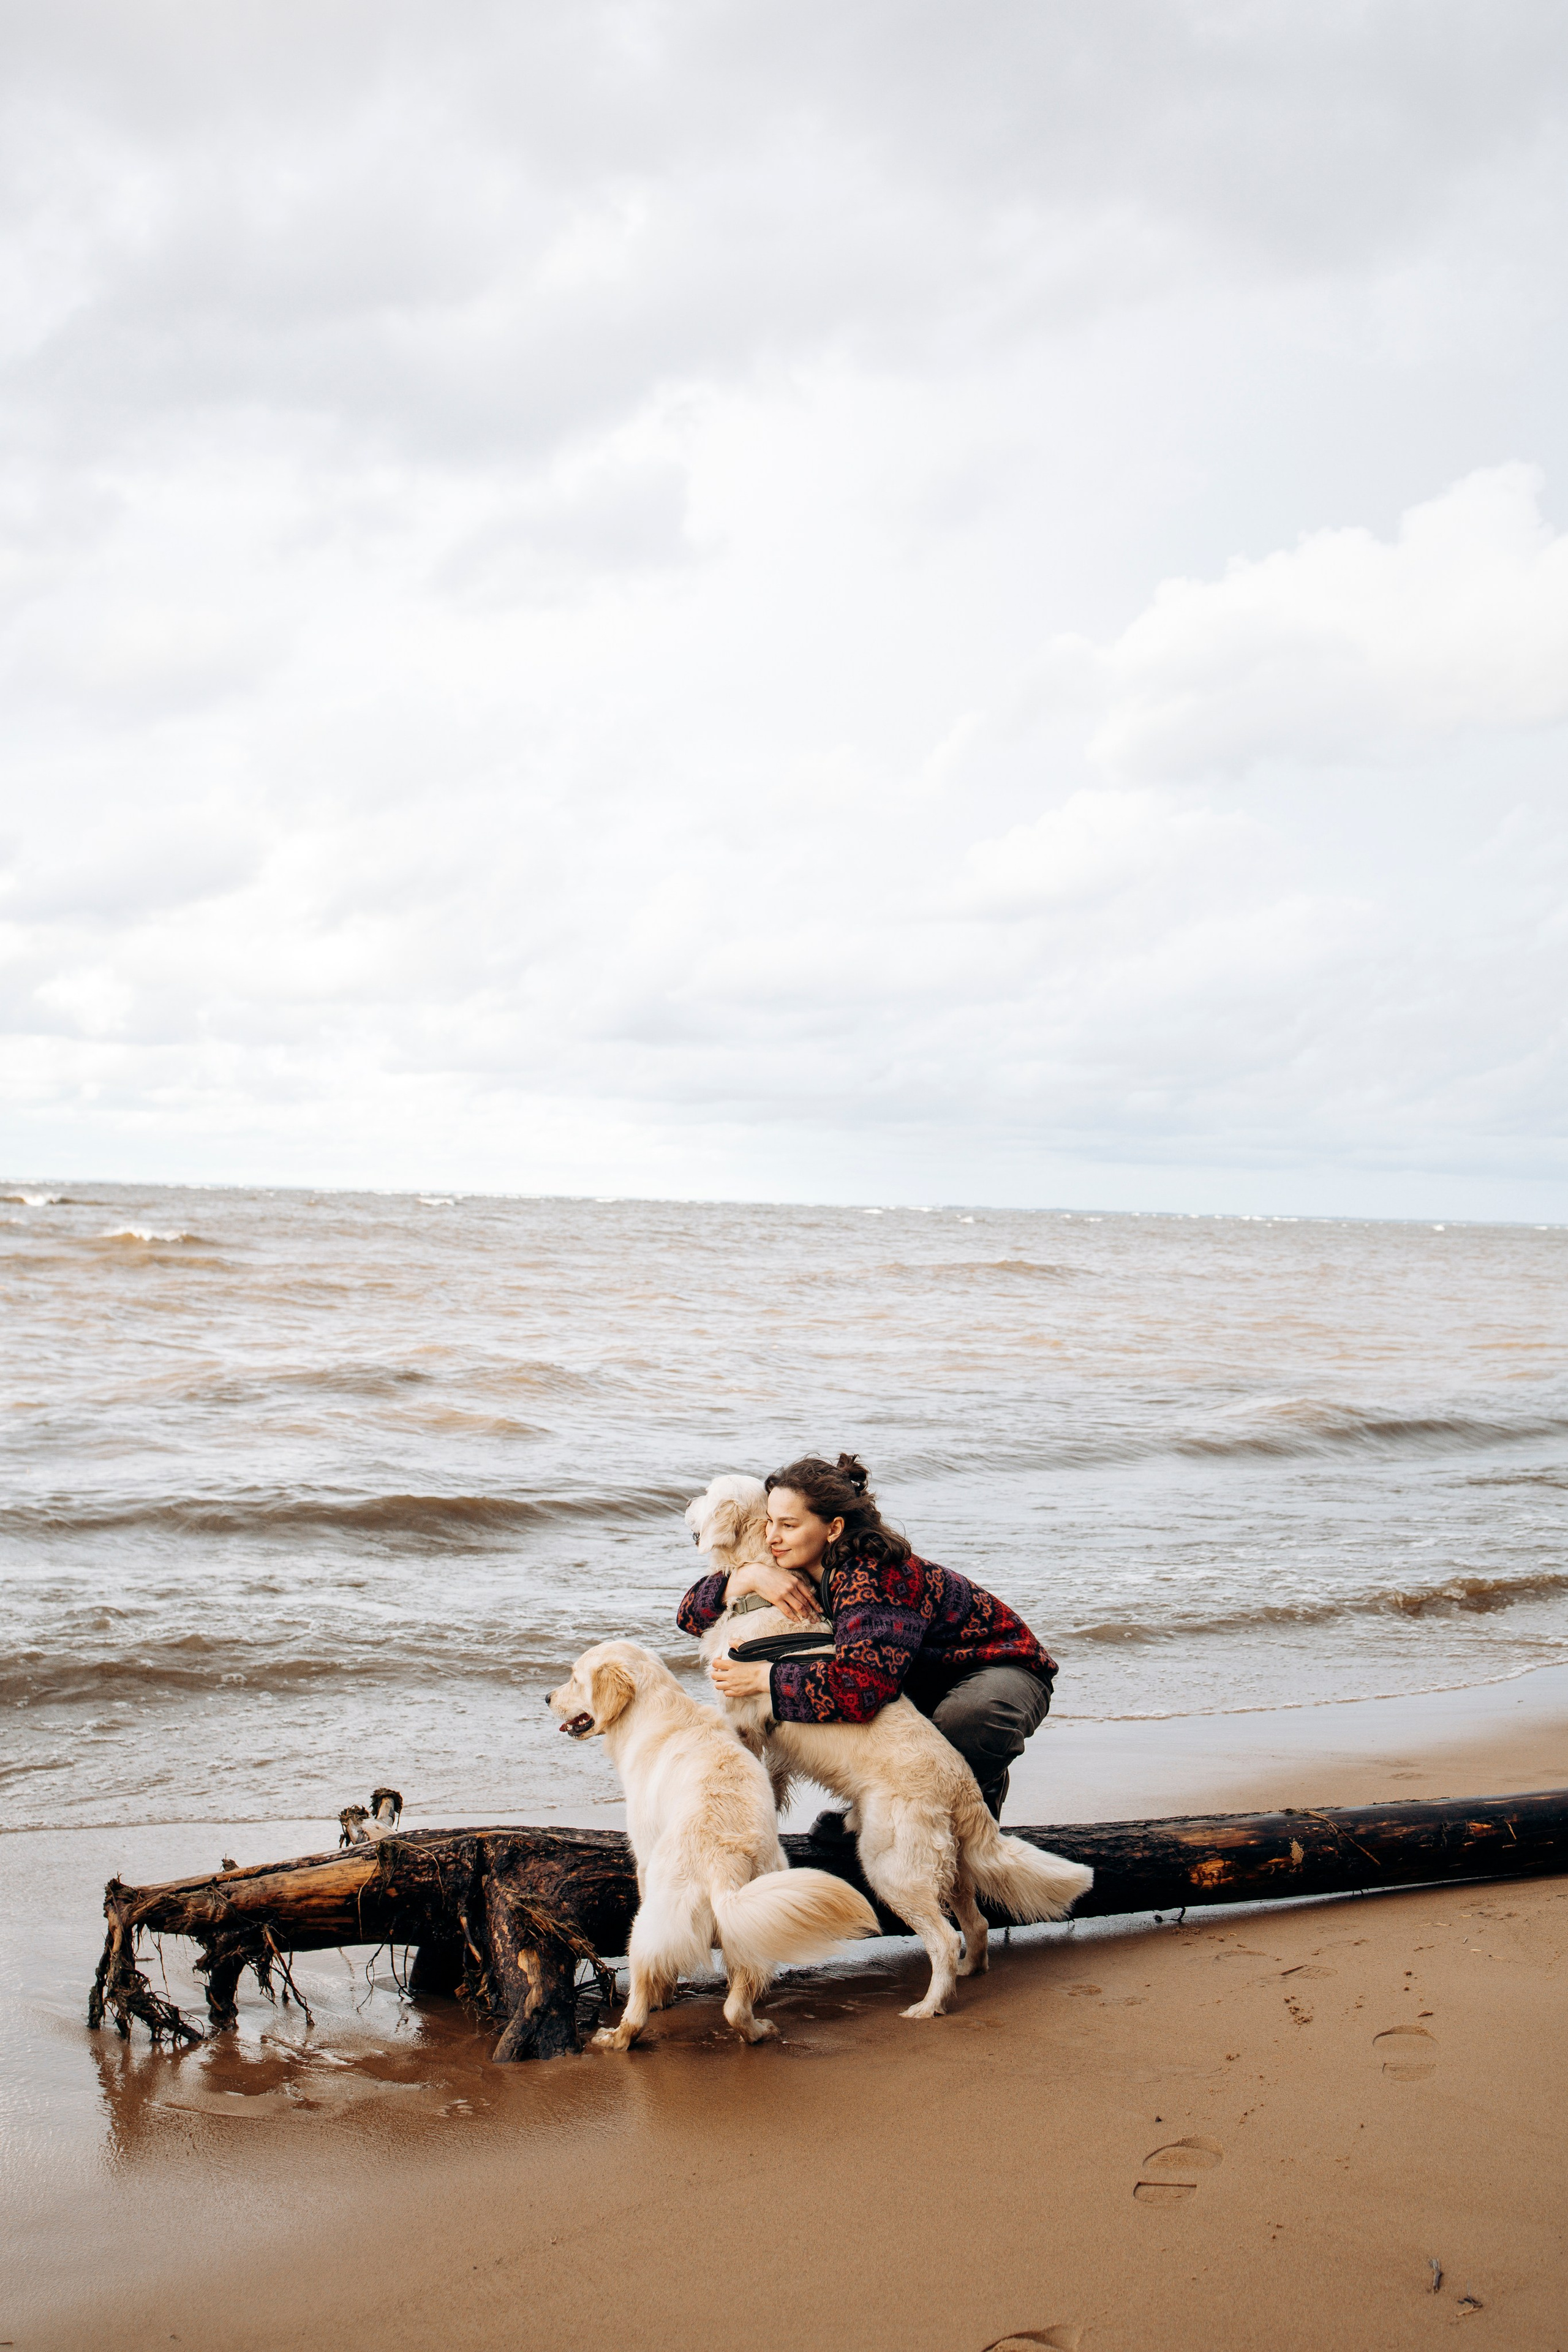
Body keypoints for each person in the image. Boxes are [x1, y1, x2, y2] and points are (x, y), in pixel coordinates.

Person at [677, 1450, 1057, 1826]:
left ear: (834, 1529)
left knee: (964, 1722)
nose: (773, 1537)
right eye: (769, 1523)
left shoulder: (874, 1577)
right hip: (915, 1675)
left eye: (788, 1525)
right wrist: (744, 1578)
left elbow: (861, 1689)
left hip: (1001, 1667)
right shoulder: (795, 1561)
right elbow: (689, 1618)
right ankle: (882, 1812)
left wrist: (765, 1678)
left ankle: (961, 1810)